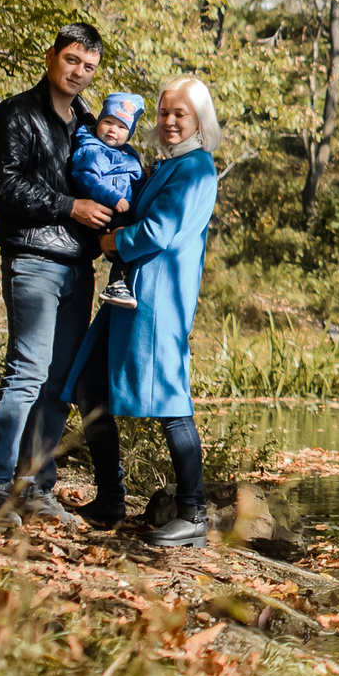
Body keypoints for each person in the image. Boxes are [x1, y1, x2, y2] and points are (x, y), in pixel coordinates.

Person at [64, 77, 222, 548]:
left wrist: (114, 241)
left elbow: (161, 229)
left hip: (159, 299)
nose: (169, 122)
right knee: (90, 384)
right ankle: (111, 497)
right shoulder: (167, 164)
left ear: (199, 121)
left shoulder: (197, 168)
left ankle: (193, 513)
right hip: (128, 292)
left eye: (181, 115)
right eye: (164, 113)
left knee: (171, 398)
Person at [0, 24, 117, 527]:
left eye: (89, 67)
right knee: (27, 372)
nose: (79, 72)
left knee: (59, 383)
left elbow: (106, 180)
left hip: (79, 266)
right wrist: (69, 207)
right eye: (72, 60)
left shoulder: (88, 121)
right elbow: (3, 185)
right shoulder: (16, 114)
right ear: (51, 57)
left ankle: (34, 486)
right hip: (33, 259)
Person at [74, 92, 148, 309]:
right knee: (124, 235)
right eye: (107, 122)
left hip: (125, 209)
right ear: (98, 122)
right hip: (103, 210)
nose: (112, 130)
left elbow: (137, 182)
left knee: (138, 232)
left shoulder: (128, 155)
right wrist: (113, 198)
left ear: (130, 134)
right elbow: (86, 179)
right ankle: (116, 282)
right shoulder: (92, 150)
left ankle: (126, 281)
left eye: (121, 127)